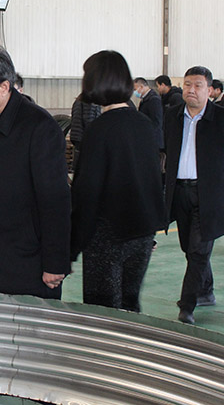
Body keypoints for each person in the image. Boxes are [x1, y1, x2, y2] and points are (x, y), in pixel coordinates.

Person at [0, 45, 71, 299]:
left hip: (31, 259)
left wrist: (55, 262)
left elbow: (55, 201)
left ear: (4, 87)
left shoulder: (40, 127)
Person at [71, 52, 164, 312]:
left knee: (103, 310)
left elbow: (86, 194)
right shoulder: (144, 125)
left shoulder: (99, 130)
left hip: (107, 235)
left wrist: (71, 247)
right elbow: (154, 178)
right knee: (129, 303)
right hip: (142, 233)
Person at [164, 66, 224, 324]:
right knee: (189, 248)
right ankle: (206, 291)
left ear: (209, 90)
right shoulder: (172, 116)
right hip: (180, 192)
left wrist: (213, 178)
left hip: (207, 196)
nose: (191, 90)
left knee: (199, 251)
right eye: (187, 84)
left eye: (198, 85)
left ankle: (187, 305)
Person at [69, 94, 101, 169]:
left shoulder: (79, 100)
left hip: (77, 135)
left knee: (79, 159)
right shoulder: (90, 101)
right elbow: (89, 120)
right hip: (85, 136)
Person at [133, 77, 164, 150]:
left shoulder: (154, 100)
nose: (134, 92)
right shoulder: (145, 99)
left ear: (141, 87)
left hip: (153, 140)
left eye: (135, 89)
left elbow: (156, 122)